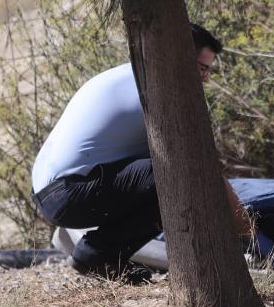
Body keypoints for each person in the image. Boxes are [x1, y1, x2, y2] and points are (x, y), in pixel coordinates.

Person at [31, 22, 254, 279]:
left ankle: (106, 255)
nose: (206, 78)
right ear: (178, 57)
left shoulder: (129, 74)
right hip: (69, 194)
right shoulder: (164, 92)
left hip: (49, 191)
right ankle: (96, 255)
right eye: (202, 68)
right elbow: (203, 169)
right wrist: (249, 232)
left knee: (163, 171)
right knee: (176, 176)